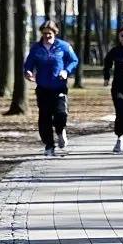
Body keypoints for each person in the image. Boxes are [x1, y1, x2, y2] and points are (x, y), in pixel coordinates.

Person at [23, 20, 79, 156]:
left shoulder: (63, 46)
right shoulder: (36, 48)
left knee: (61, 114)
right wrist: (28, 72)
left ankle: (60, 131)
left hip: (59, 87)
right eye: (44, 34)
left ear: (55, 33)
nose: (47, 36)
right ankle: (49, 145)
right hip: (42, 88)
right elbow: (28, 64)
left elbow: (74, 60)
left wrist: (66, 71)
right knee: (44, 118)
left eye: (49, 33)